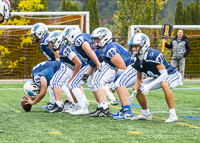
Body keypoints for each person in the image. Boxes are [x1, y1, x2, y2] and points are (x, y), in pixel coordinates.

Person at [127, 33, 182, 123]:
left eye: (136, 46)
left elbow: (164, 74)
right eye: (132, 47)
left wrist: (149, 85)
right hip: (157, 76)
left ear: (144, 45)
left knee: (164, 84)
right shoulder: (135, 60)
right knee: (138, 87)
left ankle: (173, 115)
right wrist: (135, 91)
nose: (133, 49)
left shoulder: (153, 54)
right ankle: (146, 114)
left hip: (171, 74)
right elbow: (139, 78)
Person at [88, 27, 131, 117]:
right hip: (123, 67)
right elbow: (116, 67)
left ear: (105, 38)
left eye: (97, 39)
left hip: (131, 67)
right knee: (96, 80)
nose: (95, 41)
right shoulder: (106, 48)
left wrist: (114, 81)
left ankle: (123, 110)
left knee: (118, 84)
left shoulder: (109, 48)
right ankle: (103, 108)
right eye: (95, 39)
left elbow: (122, 66)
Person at [30, 24, 72, 110]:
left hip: (64, 60)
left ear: (40, 32)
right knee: (51, 80)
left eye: (35, 34)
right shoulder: (49, 37)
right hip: (65, 59)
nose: (34, 37)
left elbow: (56, 51)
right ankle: (54, 102)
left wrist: (58, 63)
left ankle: (69, 101)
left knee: (63, 81)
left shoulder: (46, 41)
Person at [47, 30, 89, 114]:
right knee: (70, 84)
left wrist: (73, 77)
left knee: (72, 83)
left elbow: (78, 63)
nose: (51, 45)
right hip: (83, 67)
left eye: (52, 42)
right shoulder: (62, 49)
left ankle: (83, 106)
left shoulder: (64, 49)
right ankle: (78, 105)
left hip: (85, 67)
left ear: (58, 41)